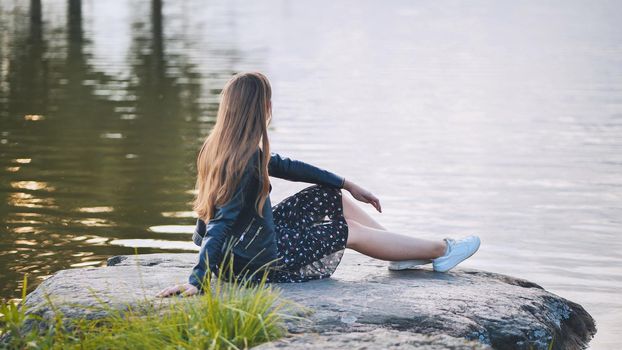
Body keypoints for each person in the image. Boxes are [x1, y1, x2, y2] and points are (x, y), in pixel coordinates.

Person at [156, 72, 481, 298]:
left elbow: (287, 167)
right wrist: (197, 280)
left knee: (330, 197)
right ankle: (442, 249)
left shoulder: (223, 148)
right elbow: (220, 222)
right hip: (261, 264)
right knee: (346, 230)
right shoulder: (243, 162)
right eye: (269, 101)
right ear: (260, 109)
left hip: (248, 250)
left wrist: (346, 183)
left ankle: (399, 252)